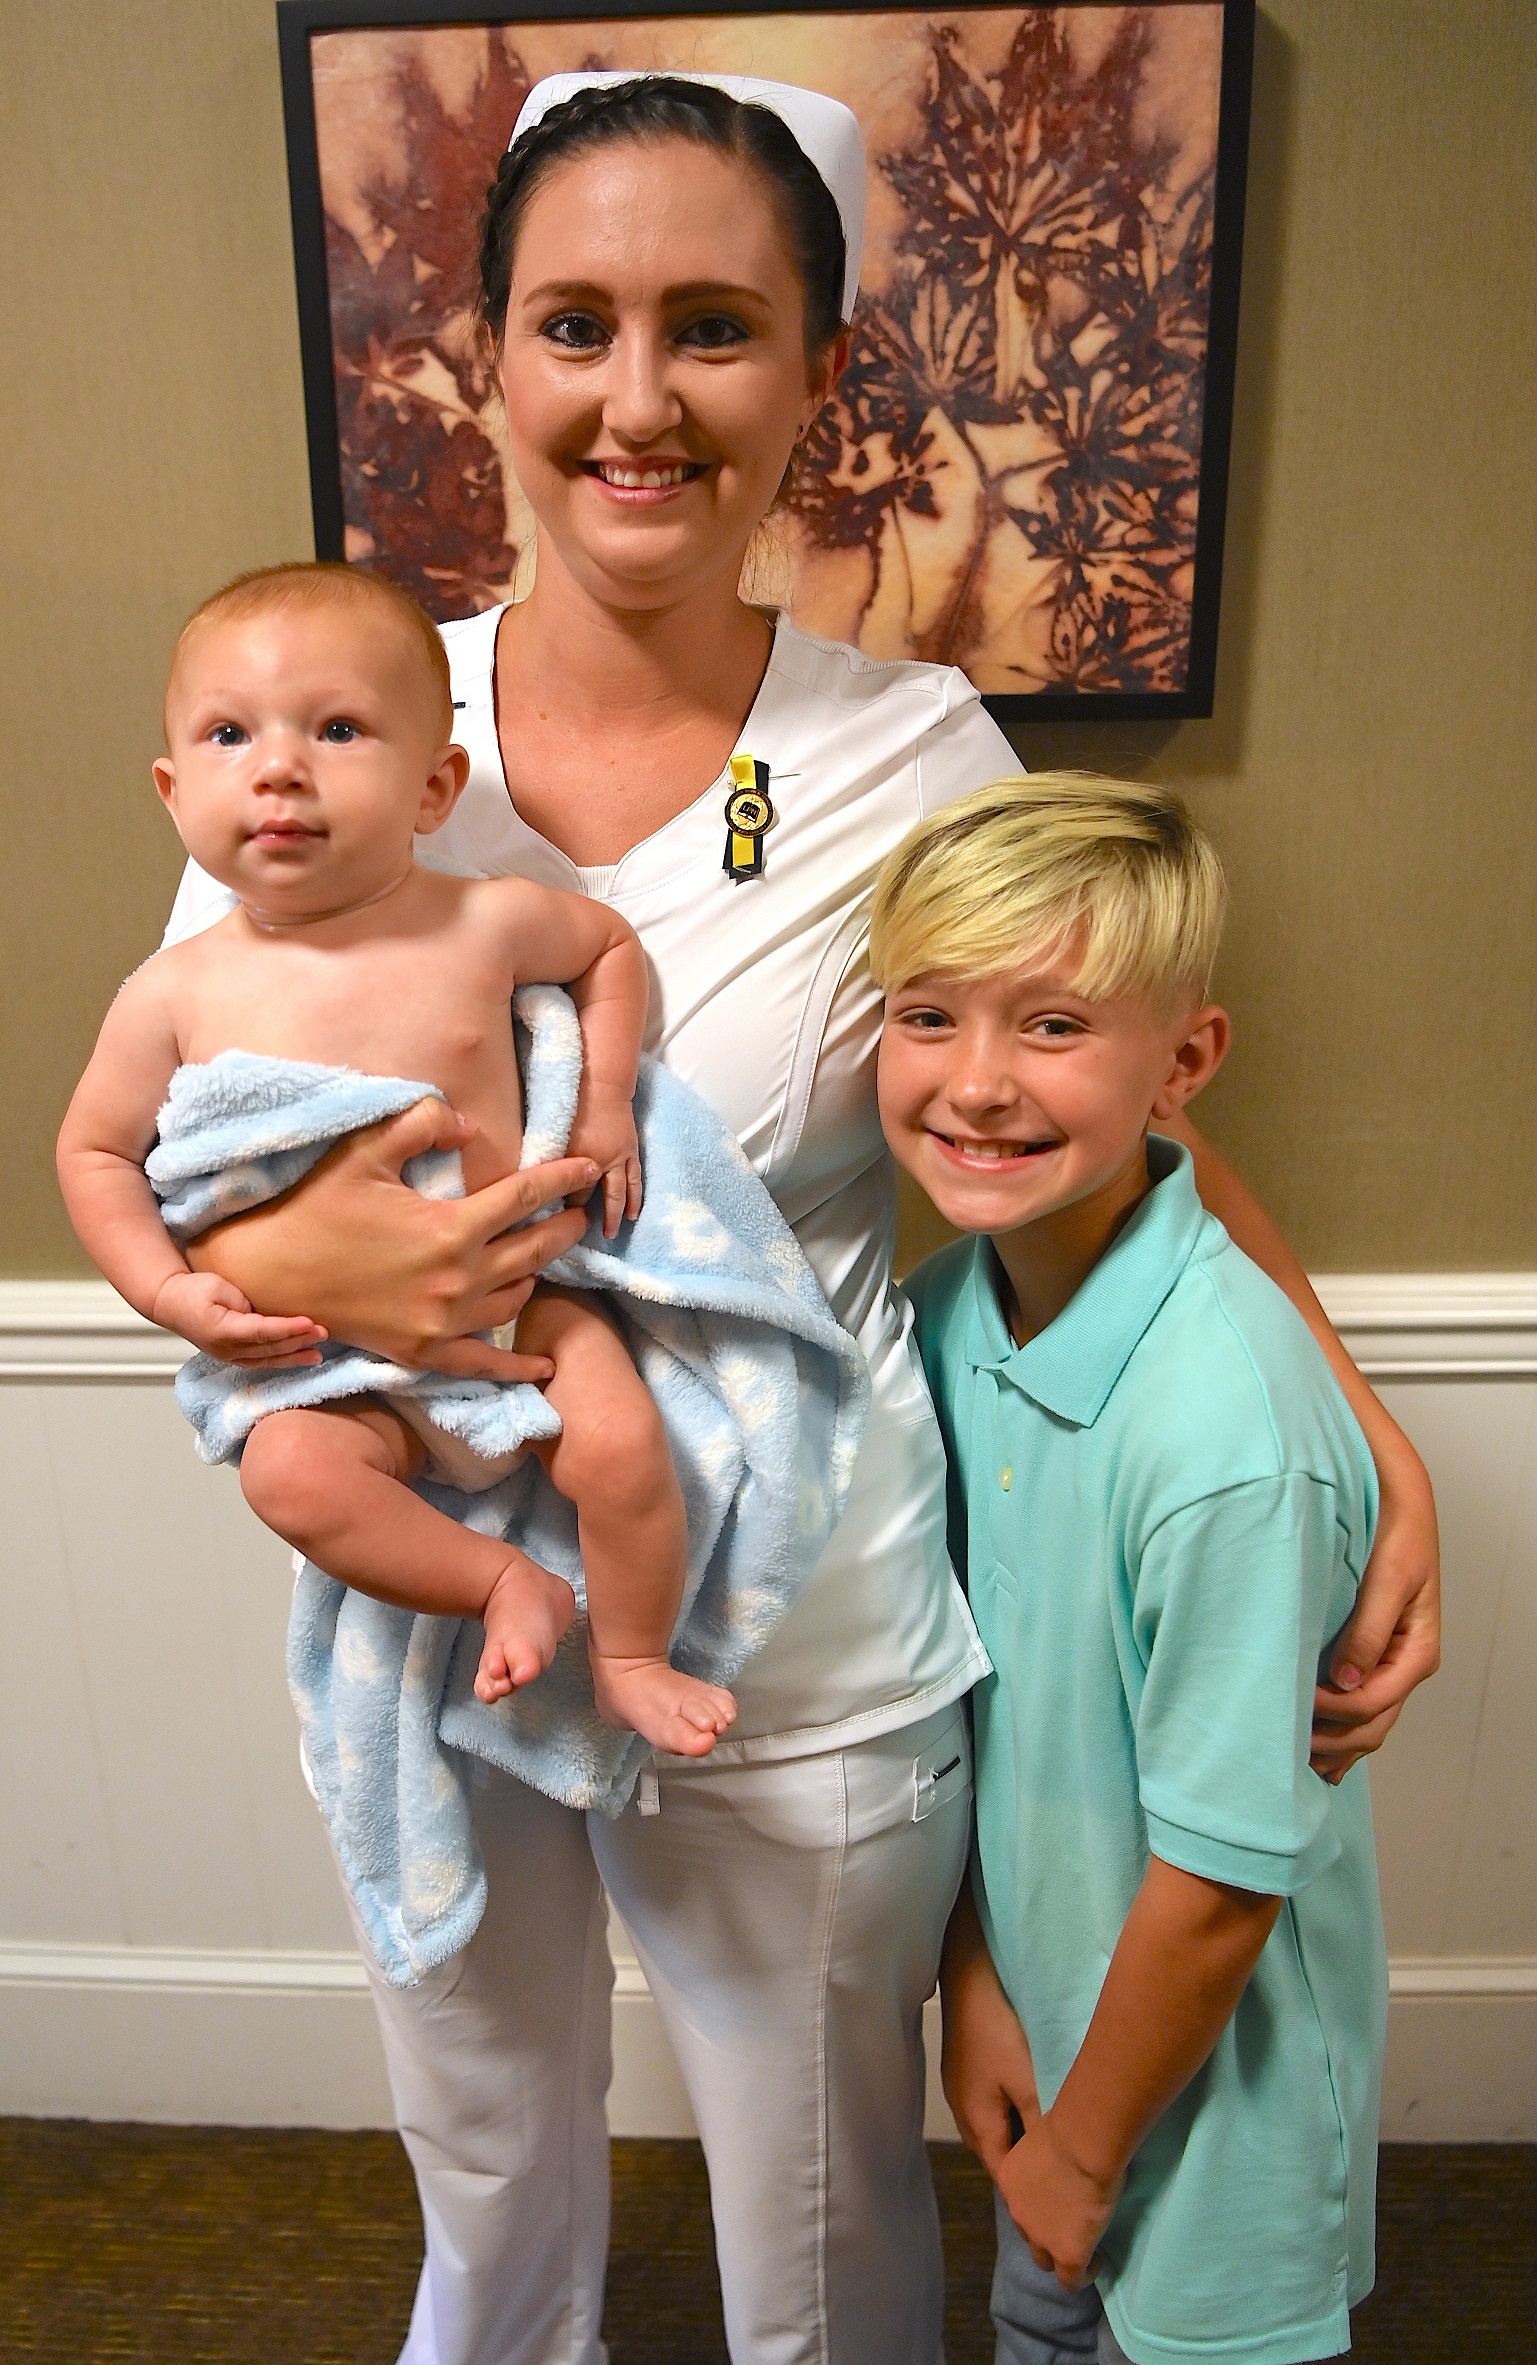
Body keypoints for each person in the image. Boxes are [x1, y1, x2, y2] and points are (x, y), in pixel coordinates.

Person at [156, 72, 1436, 2365]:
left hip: (793, 1615)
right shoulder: (338, 709)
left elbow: (1082, 1076)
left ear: (820, 374)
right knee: (480, 2169)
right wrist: (307, 1267)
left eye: (716, 327)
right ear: (488, 357)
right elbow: (197, 1133)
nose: (637, 400)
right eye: (576, 323)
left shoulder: (913, 748)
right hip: (428, 1601)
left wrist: (1369, 1426)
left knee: (822, 2226)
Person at [57, 561, 738, 1756]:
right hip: (338, 1367)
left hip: (520, 1320)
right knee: (293, 1478)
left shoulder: (479, 919)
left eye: (336, 728)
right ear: (173, 792)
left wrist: (609, 1104)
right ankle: (493, 1582)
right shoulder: (174, 993)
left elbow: (610, 948)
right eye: (229, 734)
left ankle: (630, 1653)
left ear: (434, 786)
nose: (278, 766)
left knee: (627, 1444)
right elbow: (96, 1152)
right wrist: (167, 1291)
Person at [879, 774, 1387, 2365]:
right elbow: (980, 1699)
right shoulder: (949, 1312)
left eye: (1052, 1027)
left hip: (1204, 2131)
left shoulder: (1225, 1436)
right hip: (1053, 2044)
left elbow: (1229, 1880)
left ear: (1185, 1065)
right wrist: (977, 1978)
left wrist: (1082, 2160)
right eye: (928, 1014)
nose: (974, 1084)